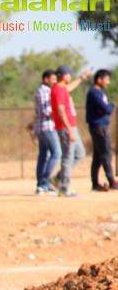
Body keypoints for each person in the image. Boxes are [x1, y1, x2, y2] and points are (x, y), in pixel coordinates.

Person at [51, 65, 92, 197]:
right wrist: (69, 129)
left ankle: (58, 177)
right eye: (68, 74)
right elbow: (60, 110)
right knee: (68, 157)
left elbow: (71, 87)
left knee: (80, 153)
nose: (70, 76)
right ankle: (64, 187)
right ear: (62, 75)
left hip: (71, 126)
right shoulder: (57, 90)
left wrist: (83, 76)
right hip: (65, 127)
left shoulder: (63, 89)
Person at [86, 68, 116, 192]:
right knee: (106, 152)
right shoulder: (94, 93)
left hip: (102, 124)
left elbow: (109, 106)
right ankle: (112, 181)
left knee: (98, 155)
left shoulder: (101, 92)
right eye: (107, 79)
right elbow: (107, 108)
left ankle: (95, 183)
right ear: (99, 79)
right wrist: (108, 107)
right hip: (99, 126)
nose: (108, 82)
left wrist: (109, 106)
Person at [33, 70, 61, 195]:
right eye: (53, 79)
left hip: (42, 127)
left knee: (44, 156)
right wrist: (61, 113)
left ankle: (41, 185)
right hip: (47, 127)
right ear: (46, 79)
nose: (55, 81)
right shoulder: (45, 91)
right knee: (56, 153)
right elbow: (47, 111)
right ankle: (45, 182)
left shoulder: (45, 91)